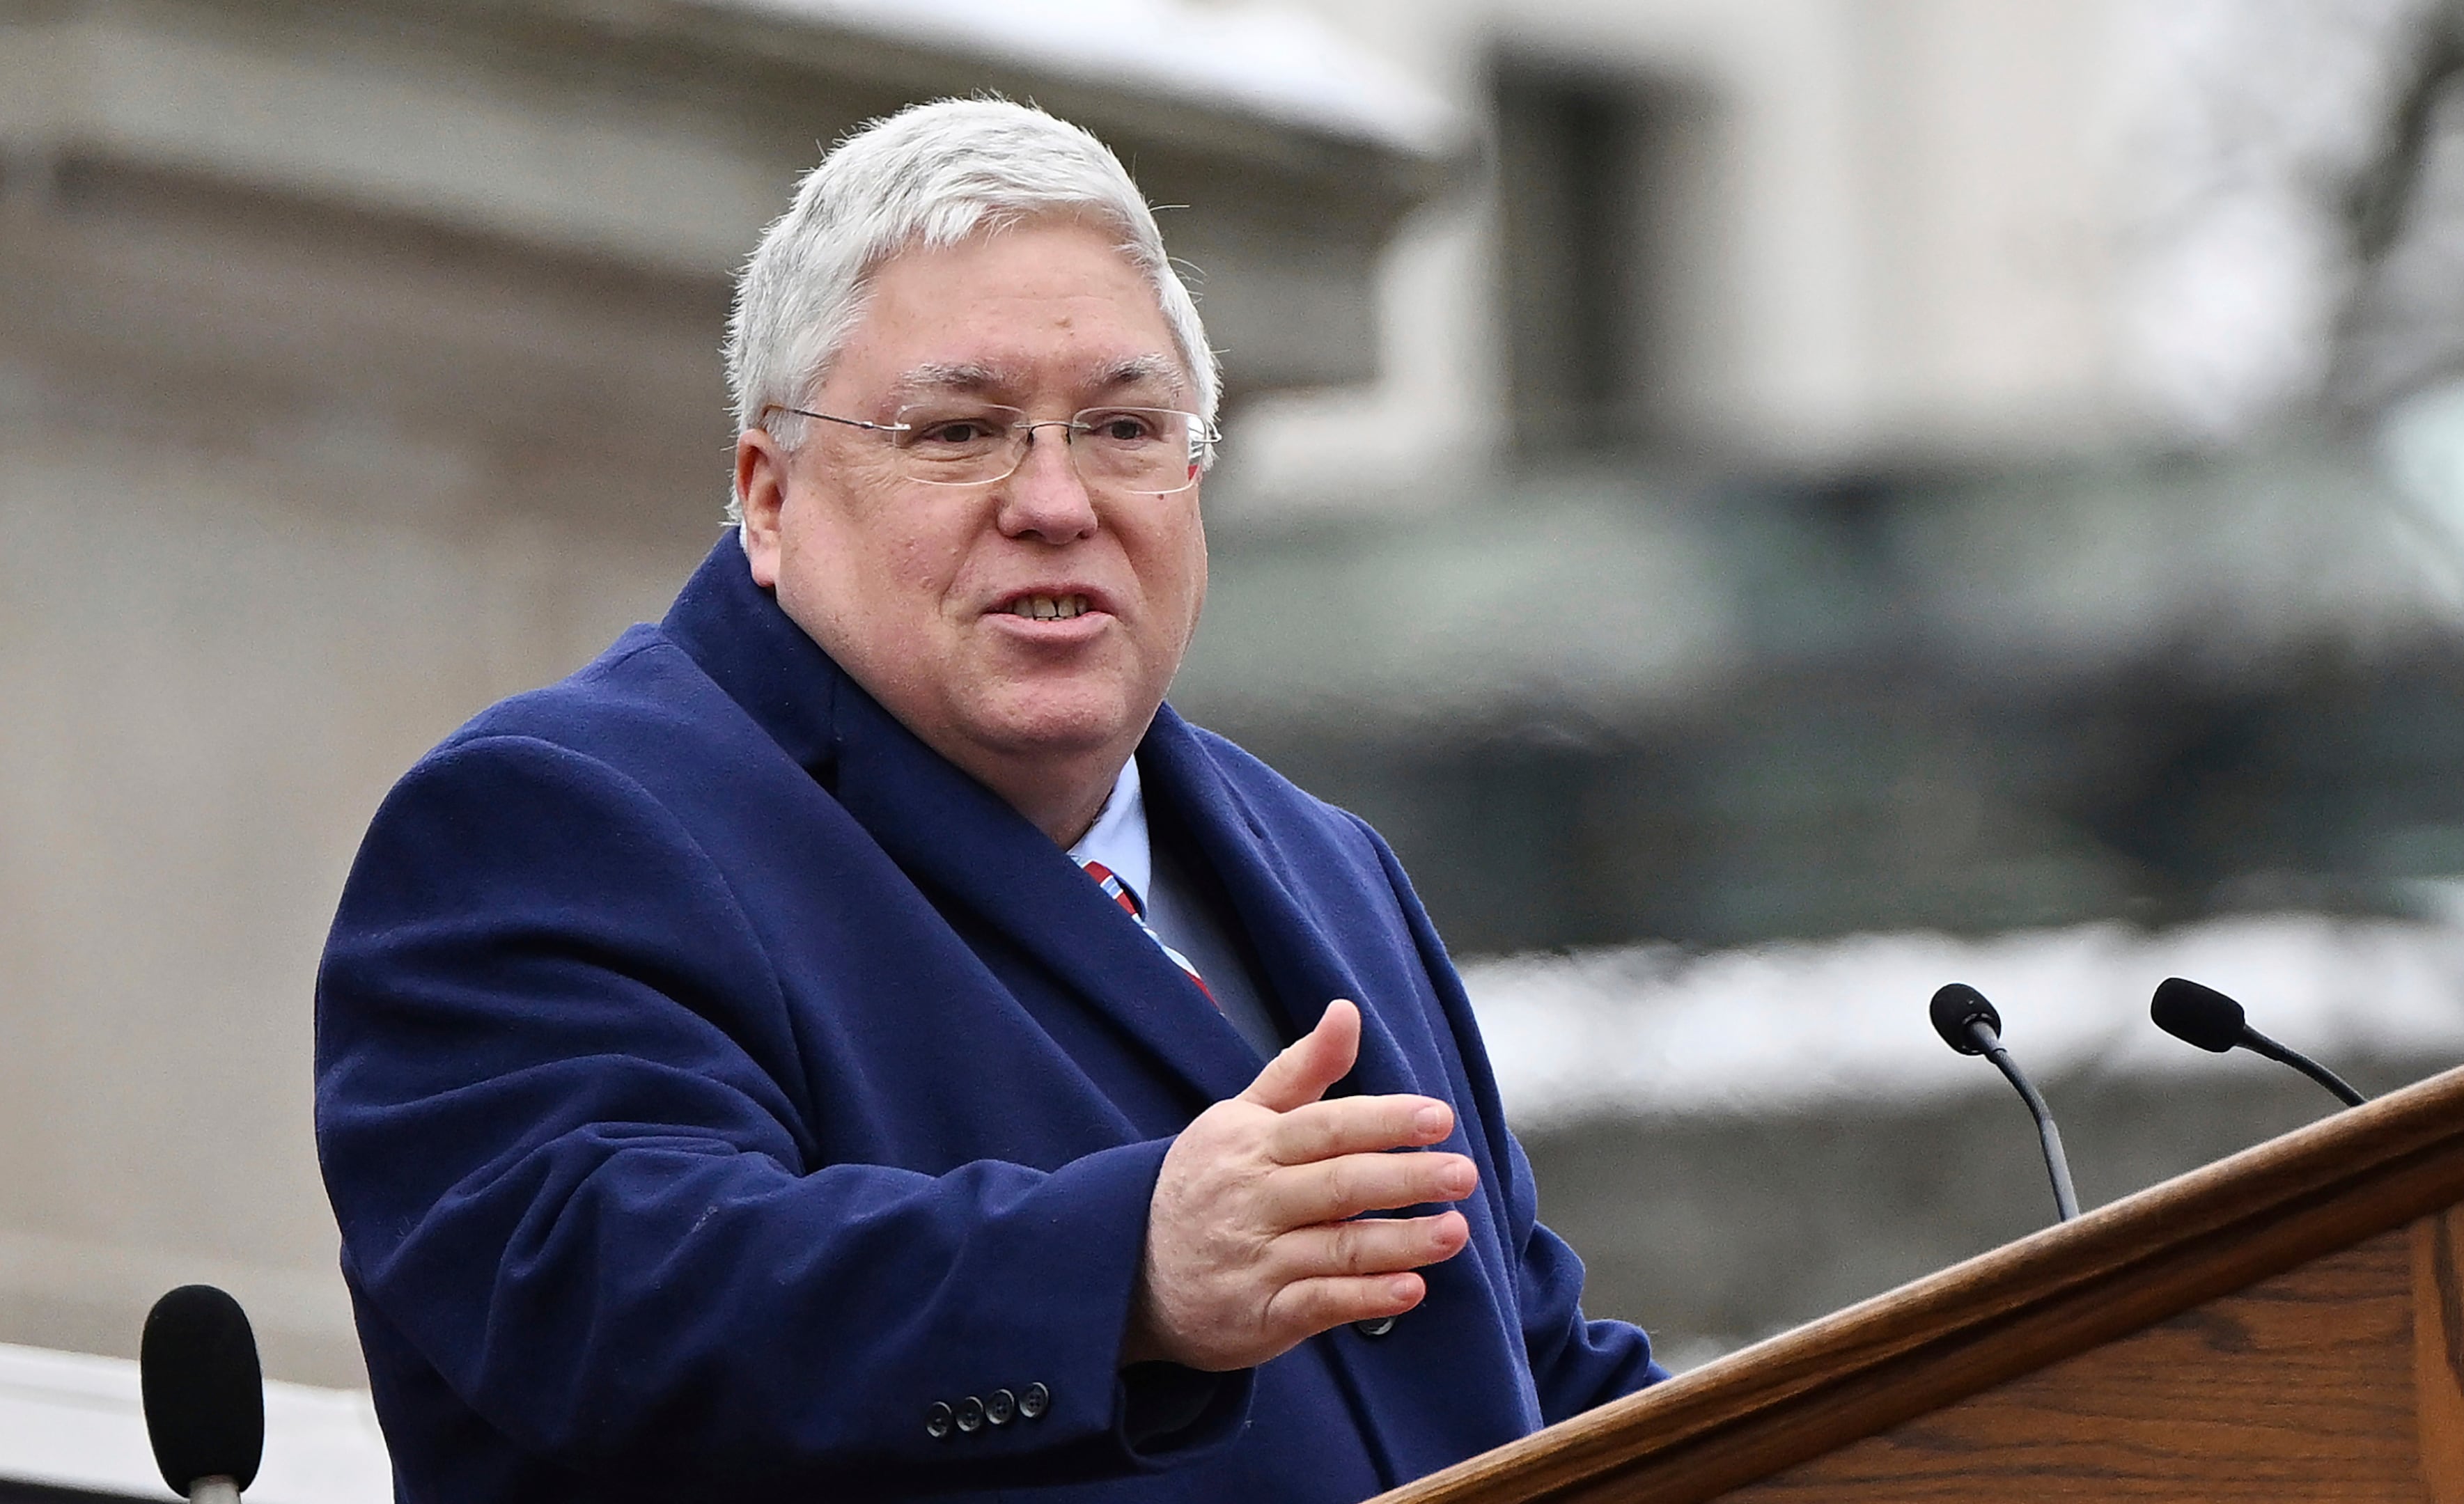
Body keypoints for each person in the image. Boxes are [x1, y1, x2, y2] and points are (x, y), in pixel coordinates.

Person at [314, 98, 1661, 1503]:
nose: (1057, 500)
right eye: (961, 432)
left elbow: (1525, 1375)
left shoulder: (1328, 862)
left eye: (1126, 427)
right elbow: (604, 1304)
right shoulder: (556, 820)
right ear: (769, 499)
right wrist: (1120, 1275)